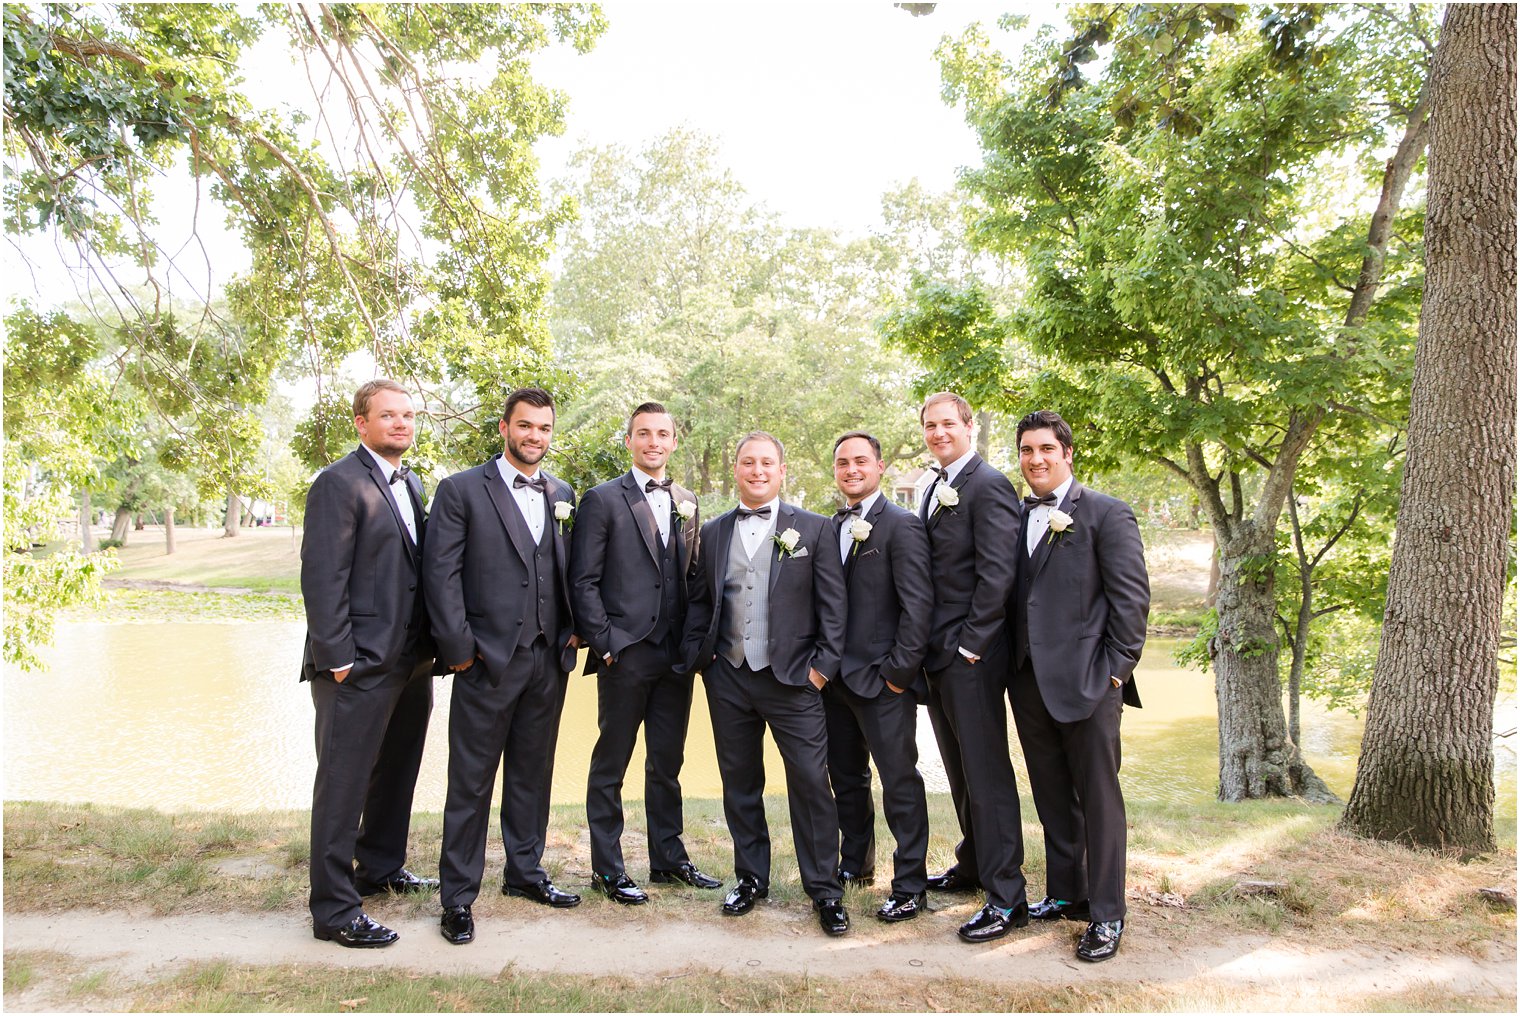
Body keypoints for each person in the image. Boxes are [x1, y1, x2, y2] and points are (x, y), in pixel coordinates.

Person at [424, 387, 582, 946]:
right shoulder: (462, 490)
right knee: (470, 782)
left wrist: (571, 635)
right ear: (504, 428)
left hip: (547, 659)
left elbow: (566, 572)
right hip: (485, 661)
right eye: (524, 426)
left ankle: (525, 873)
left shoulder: (563, 492)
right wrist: (461, 651)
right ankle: (458, 897)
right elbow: (440, 578)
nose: (534, 436)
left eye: (543, 427)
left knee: (532, 775)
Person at [680, 431, 851, 936]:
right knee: (740, 783)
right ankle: (751, 878)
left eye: (766, 464)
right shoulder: (711, 533)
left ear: (781, 471)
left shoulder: (815, 530)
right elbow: (698, 602)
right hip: (728, 676)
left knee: (810, 784)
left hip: (794, 679)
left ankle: (824, 890)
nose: (757, 471)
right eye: (748, 463)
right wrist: (702, 659)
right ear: (736, 469)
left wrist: (820, 670)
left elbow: (834, 609)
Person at [301, 379, 438, 949]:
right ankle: (334, 910)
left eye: (408, 415)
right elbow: (322, 574)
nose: (402, 424)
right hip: (356, 666)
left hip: (409, 662)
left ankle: (379, 867)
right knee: (343, 784)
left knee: (397, 771)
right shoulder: (338, 483)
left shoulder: (411, 484)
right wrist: (338, 659)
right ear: (361, 422)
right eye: (388, 416)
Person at [1008, 409, 1148, 963]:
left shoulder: (1107, 514)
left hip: (1091, 681)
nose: (1036, 459)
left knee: (1098, 799)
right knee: (1050, 793)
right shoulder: (1016, 515)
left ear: (1067, 453)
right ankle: (1068, 893)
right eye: (1026, 451)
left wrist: (1115, 671)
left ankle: (1108, 914)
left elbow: (1131, 602)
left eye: (1046, 449)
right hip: (1027, 681)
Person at [570, 402, 723, 904]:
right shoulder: (602, 499)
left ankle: (669, 860)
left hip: (674, 658)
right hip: (625, 655)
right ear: (630, 440)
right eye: (644, 433)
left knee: (667, 763)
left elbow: (695, 577)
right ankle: (608, 869)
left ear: (674, 441)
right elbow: (584, 581)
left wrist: (694, 646)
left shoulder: (687, 499)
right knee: (611, 761)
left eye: (662, 433)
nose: (653, 441)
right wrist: (608, 645)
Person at [916, 391, 1030, 943]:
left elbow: (997, 575)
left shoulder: (988, 486)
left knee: (986, 773)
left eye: (947, 424)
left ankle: (1008, 897)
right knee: (960, 772)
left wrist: (969, 646)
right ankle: (974, 865)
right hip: (936, 656)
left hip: (971, 657)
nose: (939, 433)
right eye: (930, 426)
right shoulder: (938, 487)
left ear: (968, 428)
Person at [824, 431, 934, 922]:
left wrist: (897, 675)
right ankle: (856, 866)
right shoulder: (829, 527)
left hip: (884, 682)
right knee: (846, 780)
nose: (852, 469)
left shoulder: (902, 526)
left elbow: (918, 608)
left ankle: (910, 883)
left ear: (880, 467)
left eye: (861, 461)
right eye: (843, 462)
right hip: (835, 683)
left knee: (899, 782)